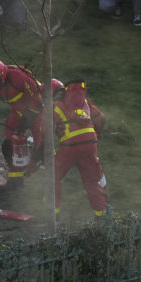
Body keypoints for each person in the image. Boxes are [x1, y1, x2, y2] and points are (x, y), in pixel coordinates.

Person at [51, 79, 109, 218]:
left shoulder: (54, 107)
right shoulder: (85, 102)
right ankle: (102, 216)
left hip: (70, 145)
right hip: (90, 143)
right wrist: (95, 134)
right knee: (91, 181)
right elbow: (101, 118)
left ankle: (53, 215)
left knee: (53, 176)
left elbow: (43, 131)